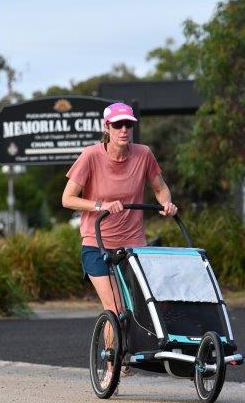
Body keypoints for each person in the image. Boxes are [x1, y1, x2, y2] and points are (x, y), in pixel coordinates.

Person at [62, 102, 178, 388]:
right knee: (113, 306)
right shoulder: (90, 156)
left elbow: (160, 187)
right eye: (118, 125)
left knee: (143, 304)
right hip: (96, 242)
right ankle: (112, 363)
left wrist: (166, 204)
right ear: (107, 128)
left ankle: (139, 352)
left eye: (128, 124)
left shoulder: (143, 154)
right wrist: (100, 205)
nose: (124, 130)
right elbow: (67, 199)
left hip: (133, 244)